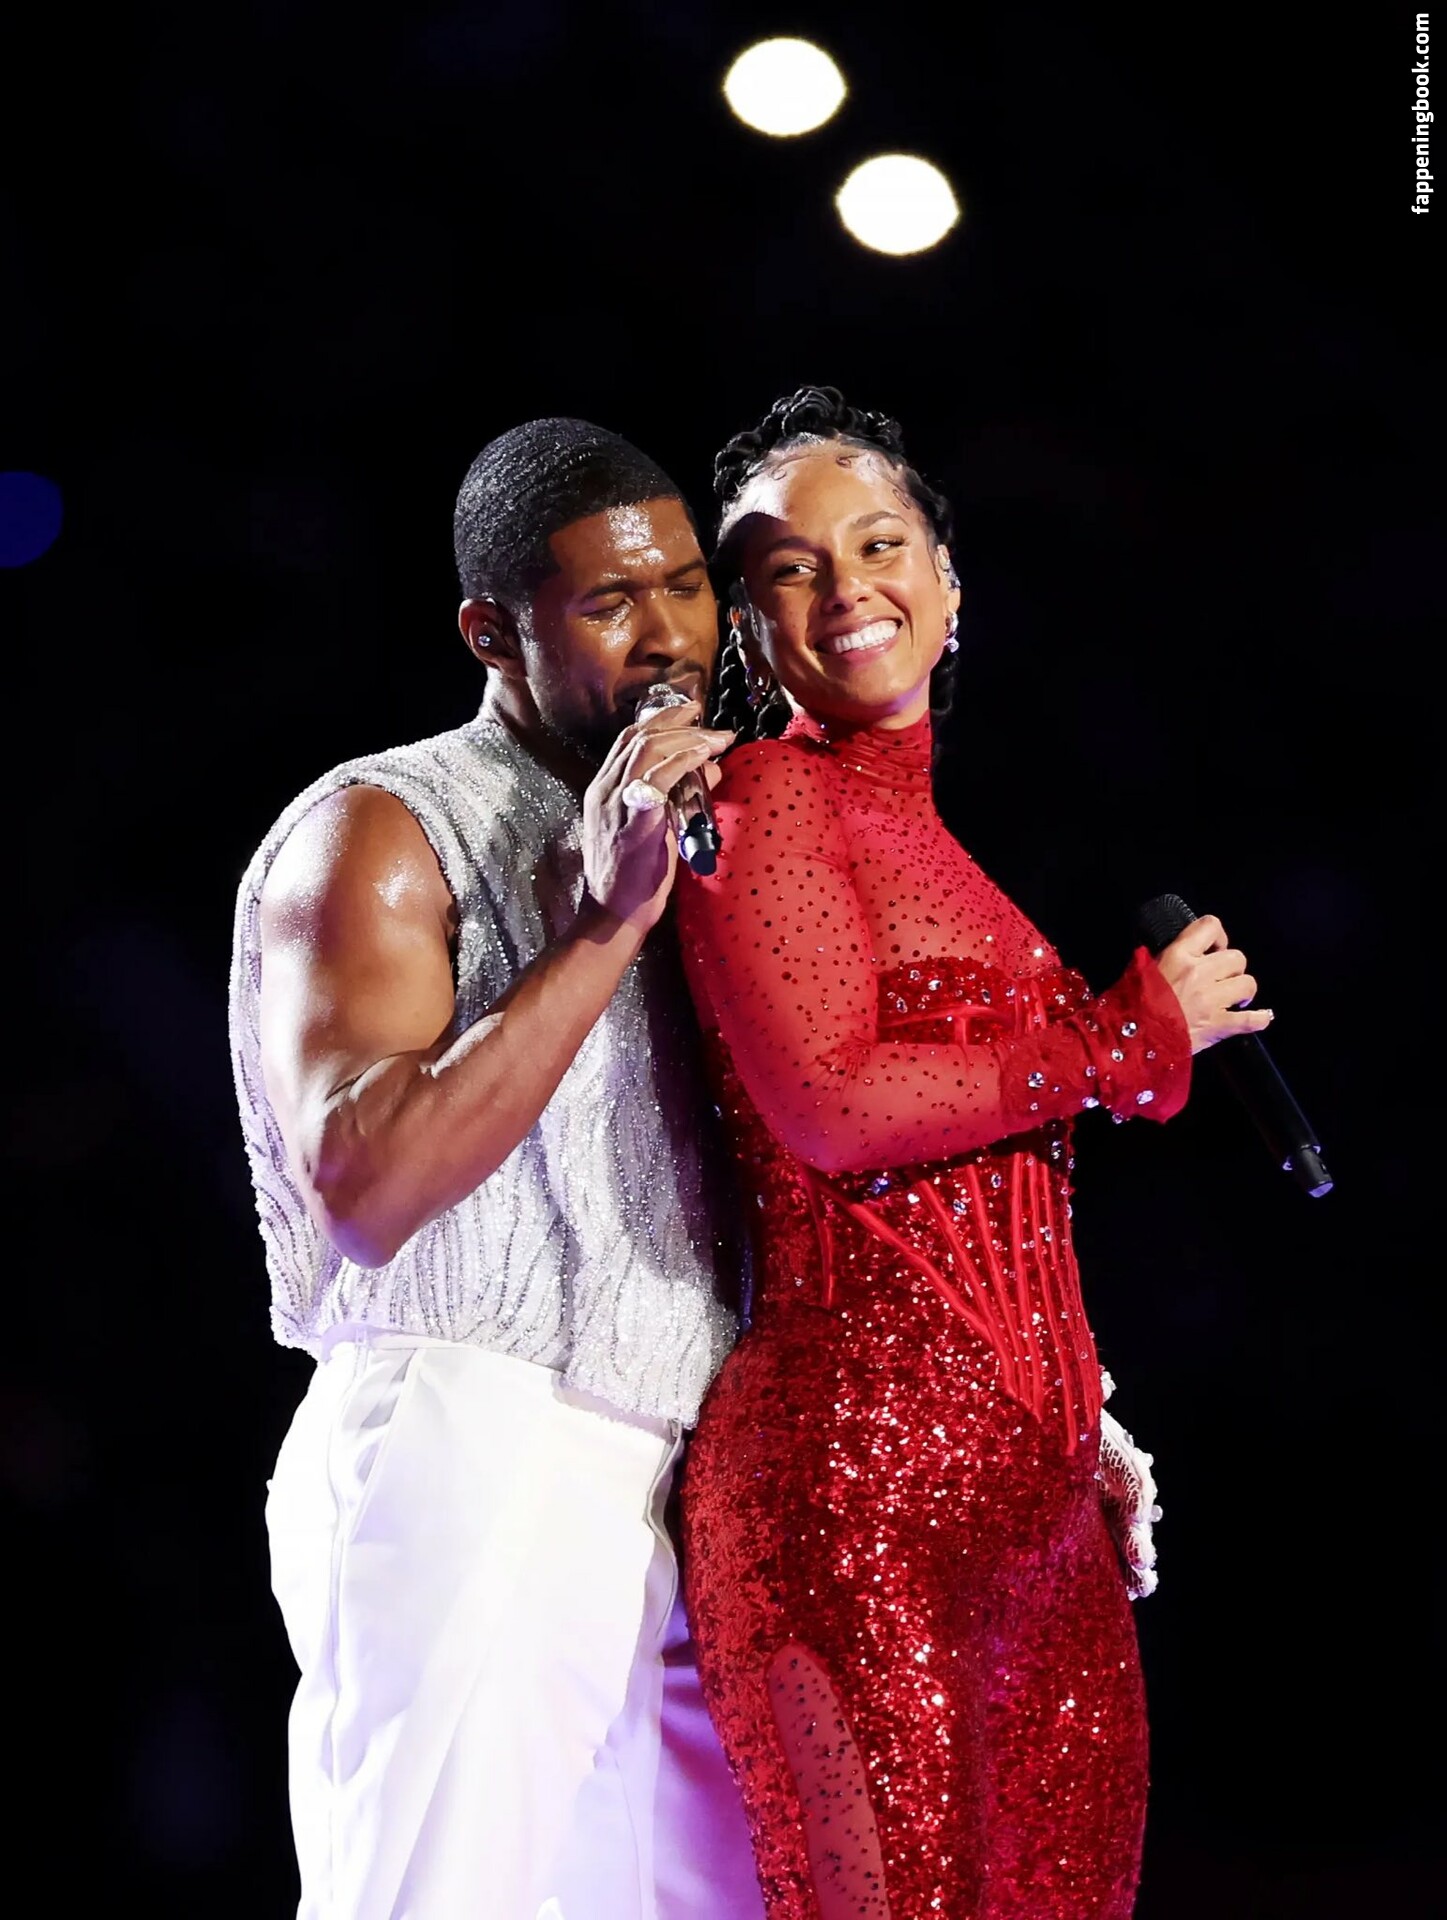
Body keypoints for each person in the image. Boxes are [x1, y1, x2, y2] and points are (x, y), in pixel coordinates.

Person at [670, 386, 1274, 1918]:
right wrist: (1119, 1046)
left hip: (1043, 1521)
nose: (845, 587)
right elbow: (831, 1106)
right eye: (790, 568)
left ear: (947, 582)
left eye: (879, 544)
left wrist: (1077, 1424)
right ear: (749, 629)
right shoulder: (761, 799)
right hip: (851, 1496)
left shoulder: (944, 850)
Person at [226, 416, 767, 1920]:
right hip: (480, 1426)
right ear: (491, 632)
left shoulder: (716, 824)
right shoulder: (385, 826)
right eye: (609, 603)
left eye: (685, 587)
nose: (667, 639)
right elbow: (369, 1186)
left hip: (688, 1463)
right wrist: (603, 928)